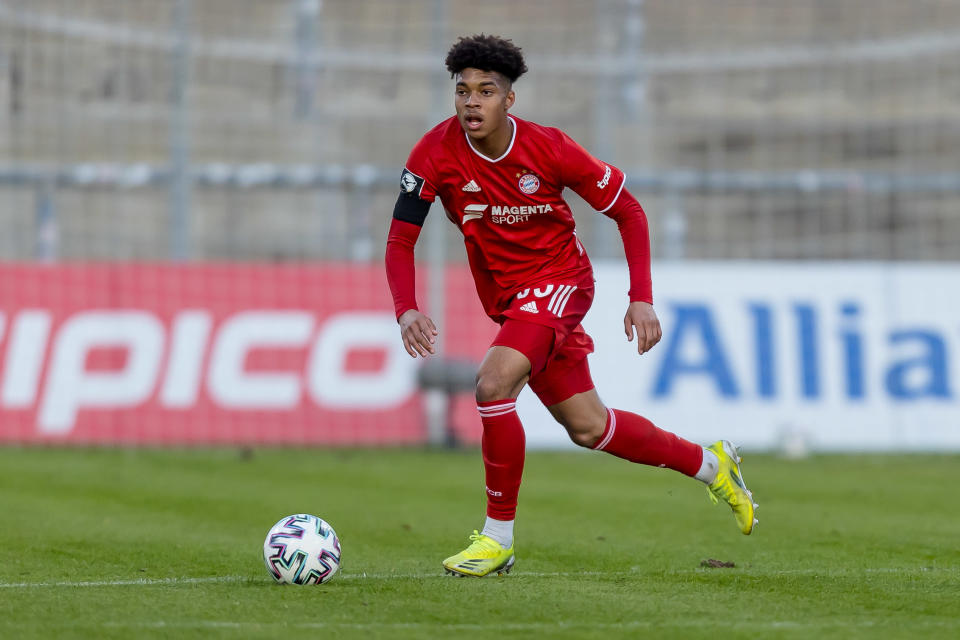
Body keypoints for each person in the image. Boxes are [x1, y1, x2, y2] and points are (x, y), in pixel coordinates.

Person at [385, 34, 757, 578]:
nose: (471, 102)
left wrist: (641, 299)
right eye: (462, 91)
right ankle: (712, 465)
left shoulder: (551, 148)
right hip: (513, 301)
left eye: (485, 92)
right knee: (589, 427)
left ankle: (497, 539)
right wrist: (405, 308)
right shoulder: (433, 154)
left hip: (561, 280)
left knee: (492, 385)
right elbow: (399, 241)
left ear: (509, 100)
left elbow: (629, 211)